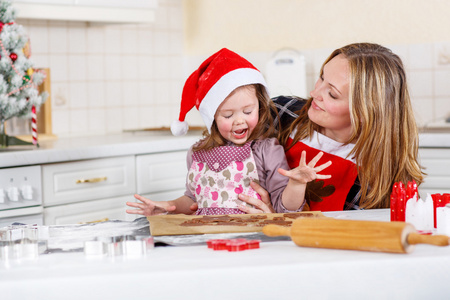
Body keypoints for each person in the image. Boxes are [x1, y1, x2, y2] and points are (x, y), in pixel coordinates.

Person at [126, 48, 331, 216]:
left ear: (259, 107)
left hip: (252, 238)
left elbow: (284, 207)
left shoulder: (266, 149)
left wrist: (296, 184)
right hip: (207, 239)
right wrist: (166, 206)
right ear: (212, 118)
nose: (239, 120)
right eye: (228, 115)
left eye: (248, 111)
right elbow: (191, 200)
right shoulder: (197, 152)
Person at [252, 42, 425, 212]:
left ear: (364, 113)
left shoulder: (382, 181)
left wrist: (275, 217)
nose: (314, 94)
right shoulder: (280, 114)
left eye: (332, 94)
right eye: (321, 77)